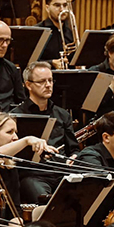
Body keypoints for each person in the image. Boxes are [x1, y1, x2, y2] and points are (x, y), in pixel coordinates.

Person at [12, 61, 79, 203]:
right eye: (42, 81)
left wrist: (73, 157)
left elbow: (73, 149)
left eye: (50, 80)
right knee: (45, 201)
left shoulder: (62, 115)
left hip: (61, 172)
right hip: (32, 175)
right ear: (28, 85)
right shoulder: (15, 116)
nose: (48, 85)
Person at [37, 0, 76, 65]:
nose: (62, 10)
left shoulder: (69, 32)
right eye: (57, 5)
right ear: (47, 8)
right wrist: (51, 63)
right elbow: (28, 63)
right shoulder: (38, 31)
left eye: (65, 5)